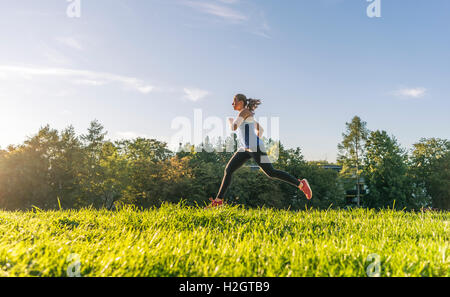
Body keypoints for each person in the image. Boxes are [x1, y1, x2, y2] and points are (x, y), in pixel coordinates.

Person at [207, 94, 312, 208]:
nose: (232, 104)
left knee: (271, 172)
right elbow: (260, 129)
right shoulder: (247, 114)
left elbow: (234, 127)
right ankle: (218, 201)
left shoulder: (244, 112)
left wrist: (230, 121)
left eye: (234, 101)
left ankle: (301, 184)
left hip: (255, 147)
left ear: (241, 102)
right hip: (245, 148)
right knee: (228, 170)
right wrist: (254, 139)